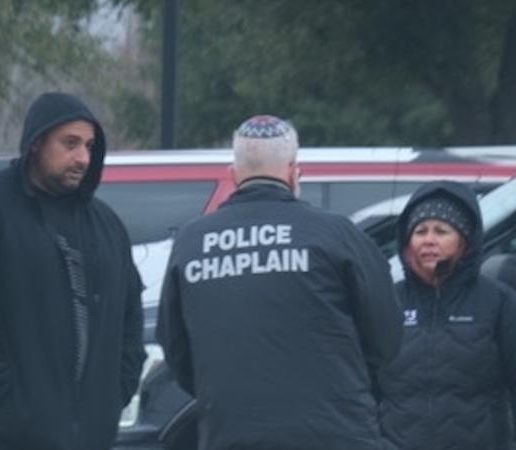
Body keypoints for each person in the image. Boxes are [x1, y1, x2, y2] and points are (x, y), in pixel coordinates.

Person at [157, 115, 403, 450]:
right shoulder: (336, 235)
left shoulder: (191, 242)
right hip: (336, 432)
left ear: (233, 174)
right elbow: (386, 334)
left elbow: (176, 348)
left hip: (232, 433)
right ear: (293, 171)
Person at [0, 92, 146, 450]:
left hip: (84, 436)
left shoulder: (106, 226)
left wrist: (111, 397)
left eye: (90, 146)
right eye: (70, 143)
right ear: (36, 143)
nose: (82, 158)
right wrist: (14, 407)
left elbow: (129, 320)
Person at [379, 180, 516, 450]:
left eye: (442, 231)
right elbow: (357, 386)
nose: (429, 240)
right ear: (407, 241)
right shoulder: (386, 302)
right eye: (420, 231)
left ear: (465, 242)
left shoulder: (500, 304)